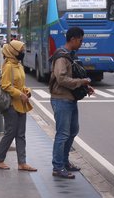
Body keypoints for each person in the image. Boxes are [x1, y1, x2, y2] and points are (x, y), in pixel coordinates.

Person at [48, 27, 94, 179]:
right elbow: (61, 79)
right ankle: (58, 166)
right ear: (73, 39)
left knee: (73, 131)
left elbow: (71, 76)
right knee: (63, 134)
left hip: (70, 98)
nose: (81, 43)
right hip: (61, 99)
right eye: (80, 40)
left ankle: (64, 161)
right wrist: (82, 81)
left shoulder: (70, 55)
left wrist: (84, 86)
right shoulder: (62, 57)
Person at [0, 40, 37, 171]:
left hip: (21, 103)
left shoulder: (19, 65)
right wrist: (19, 94)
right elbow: (5, 85)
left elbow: (20, 83)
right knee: (10, 133)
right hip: (11, 104)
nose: (23, 53)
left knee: (21, 134)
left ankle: (22, 163)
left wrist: (26, 91)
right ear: (13, 51)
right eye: (21, 51)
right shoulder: (8, 66)